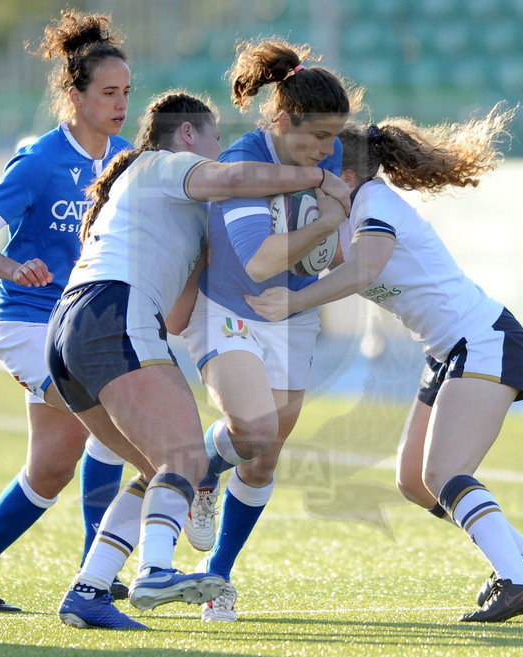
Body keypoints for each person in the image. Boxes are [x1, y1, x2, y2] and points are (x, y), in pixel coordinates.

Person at [45, 89, 352, 630]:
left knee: (160, 469)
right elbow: (233, 178)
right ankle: (155, 571)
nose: (221, 150)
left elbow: (179, 317)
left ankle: (88, 591)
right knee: (186, 455)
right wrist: (317, 179)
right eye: (215, 139)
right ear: (188, 135)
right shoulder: (162, 165)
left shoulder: (175, 211)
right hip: (115, 311)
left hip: (71, 331)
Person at [245, 105, 523, 623]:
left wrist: (294, 301)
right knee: (414, 481)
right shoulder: (345, 214)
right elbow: (304, 259)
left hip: (483, 338)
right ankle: (519, 550)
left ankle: (516, 581)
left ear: (344, 177)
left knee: (444, 472)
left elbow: (364, 269)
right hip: (447, 349)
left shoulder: (374, 201)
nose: (309, 177)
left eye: (318, 167)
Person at [0, 9, 147, 612]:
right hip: (29, 326)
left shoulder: (126, 160)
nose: (121, 104)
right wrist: (11, 267)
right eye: (108, 93)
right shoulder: (39, 160)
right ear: (75, 95)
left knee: (52, 468)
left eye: (126, 92)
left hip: (84, 329)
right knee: (116, 424)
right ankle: (98, 577)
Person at [178, 38, 360, 622]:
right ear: (282, 122)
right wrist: (329, 219)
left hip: (291, 316)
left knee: (263, 458)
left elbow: (331, 246)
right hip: (230, 308)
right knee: (252, 429)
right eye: (319, 137)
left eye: (335, 137)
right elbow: (258, 262)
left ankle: (218, 576)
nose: (329, 150)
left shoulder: (327, 154)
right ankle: (200, 471)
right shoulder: (242, 162)